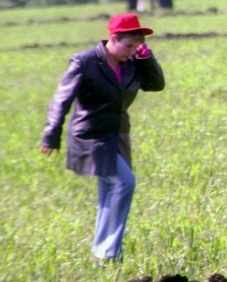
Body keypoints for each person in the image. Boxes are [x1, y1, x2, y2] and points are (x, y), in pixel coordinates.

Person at [40, 14, 165, 263]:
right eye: (129, 46)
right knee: (124, 182)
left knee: (110, 190)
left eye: (136, 47)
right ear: (113, 38)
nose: (132, 51)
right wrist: (51, 134)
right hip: (91, 136)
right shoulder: (86, 61)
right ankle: (108, 253)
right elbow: (61, 99)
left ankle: (101, 253)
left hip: (118, 135)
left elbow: (156, 85)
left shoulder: (132, 63)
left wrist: (146, 58)